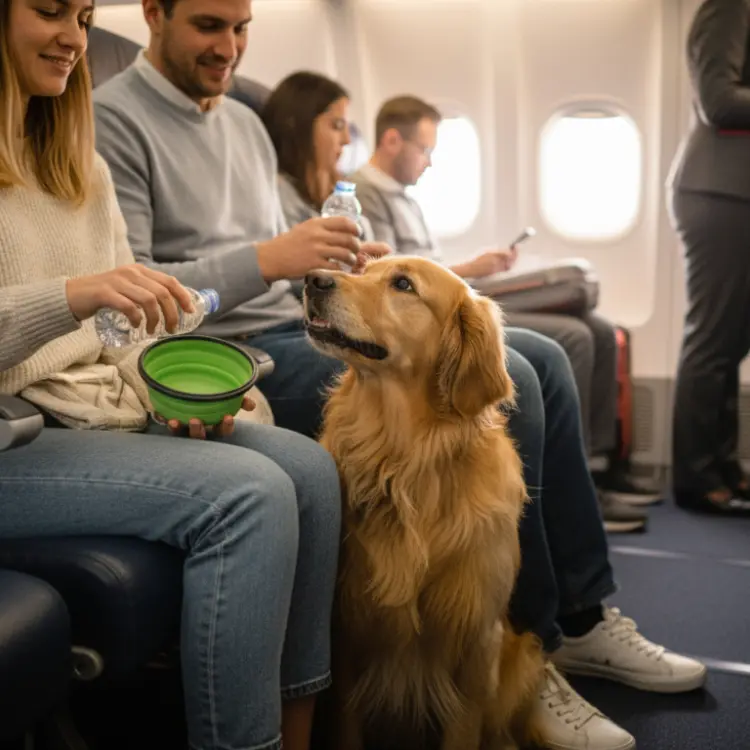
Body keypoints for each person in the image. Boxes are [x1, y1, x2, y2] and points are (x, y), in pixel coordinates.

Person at [260, 71, 709, 750]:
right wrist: (272, 261)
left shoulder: (256, 142)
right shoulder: (290, 171)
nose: (342, 139)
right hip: (252, 334)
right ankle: (537, 626)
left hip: (363, 309)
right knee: (523, 369)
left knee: (553, 356)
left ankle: (570, 622)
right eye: (335, 125)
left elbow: (414, 273)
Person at [0, 3, 342, 749]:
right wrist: (69, 297)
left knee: (310, 471)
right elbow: (83, 303)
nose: (75, 39)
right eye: (51, 11)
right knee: (248, 497)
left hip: (76, 402)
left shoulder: (74, 157)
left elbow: (120, 323)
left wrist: (162, 387)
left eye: (85, 17)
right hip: (11, 428)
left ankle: (297, 730)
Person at [91, 0, 393, 441]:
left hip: (298, 327)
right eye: (209, 26)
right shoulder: (111, 120)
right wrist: (266, 260)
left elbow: (281, 267)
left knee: (522, 359)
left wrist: (332, 272)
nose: (229, 48)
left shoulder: (248, 123)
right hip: (224, 346)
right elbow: (134, 290)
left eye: (241, 29)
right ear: (154, 14)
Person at [348, 94, 662, 509]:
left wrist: (479, 268)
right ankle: (583, 488)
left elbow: (428, 273)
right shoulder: (367, 195)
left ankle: (602, 467)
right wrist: (472, 269)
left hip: (441, 299)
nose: (429, 162)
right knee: (573, 337)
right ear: (391, 141)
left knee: (601, 330)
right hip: (431, 314)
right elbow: (394, 282)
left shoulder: (405, 197)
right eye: (424, 149)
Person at [666, 0, 750, 515]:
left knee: (733, 342)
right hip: (719, 192)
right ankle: (698, 480)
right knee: (714, 338)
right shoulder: (729, 3)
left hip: (734, 192)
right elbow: (718, 100)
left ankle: (723, 468)